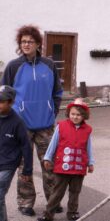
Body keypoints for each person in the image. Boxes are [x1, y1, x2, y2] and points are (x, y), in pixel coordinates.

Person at [0, 25, 63, 216]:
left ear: (38, 44)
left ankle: (53, 201)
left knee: (50, 164)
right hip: (21, 126)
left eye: (30, 41)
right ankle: (26, 203)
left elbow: (57, 92)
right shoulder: (13, 66)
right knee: (23, 166)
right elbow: (4, 95)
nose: (26, 44)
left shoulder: (49, 65)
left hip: (45, 125)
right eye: (23, 41)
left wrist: (52, 112)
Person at [37, 98, 95, 221]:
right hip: (62, 167)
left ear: (84, 116)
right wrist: (47, 157)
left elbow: (88, 147)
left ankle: (72, 213)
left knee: (75, 192)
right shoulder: (61, 126)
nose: (75, 117)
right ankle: (48, 214)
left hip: (79, 167)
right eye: (72, 114)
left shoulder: (87, 130)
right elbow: (53, 143)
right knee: (57, 192)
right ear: (68, 113)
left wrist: (90, 162)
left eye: (78, 115)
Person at [0, 85, 33, 221]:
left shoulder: (17, 122)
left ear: (11, 102)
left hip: (8, 164)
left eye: (2, 101)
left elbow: (26, 146)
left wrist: (27, 170)